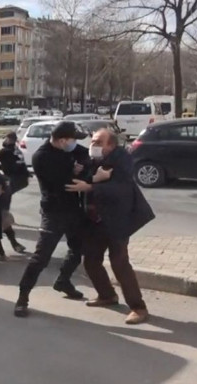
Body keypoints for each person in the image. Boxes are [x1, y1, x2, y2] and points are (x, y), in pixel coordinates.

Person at [65, 128, 155, 324]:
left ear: (111, 145)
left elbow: (120, 189)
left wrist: (91, 185)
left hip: (117, 220)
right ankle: (107, 295)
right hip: (95, 221)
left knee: (119, 263)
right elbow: (86, 178)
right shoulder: (92, 161)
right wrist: (86, 176)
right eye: (93, 141)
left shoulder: (122, 160)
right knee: (90, 261)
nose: (93, 146)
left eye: (98, 142)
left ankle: (138, 307)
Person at [14, 121, 88, 318]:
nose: (74, 144)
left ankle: (63, 280)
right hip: (54, 212)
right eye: (72, 140)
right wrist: (78, 173)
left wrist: (82, 166)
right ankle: (23, 296)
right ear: (62, 140)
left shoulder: (67, 150)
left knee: (78, 248)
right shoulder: (42, 156)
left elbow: (85, 154)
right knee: (41, 257)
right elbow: (65, 183)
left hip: (73, 210)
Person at [0, 131, 30, 253]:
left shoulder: (4, 152)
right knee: (5, 199)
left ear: (9, 139)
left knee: (2, 201)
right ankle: (4, 216)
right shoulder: (17, 149)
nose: (4, 141)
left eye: (6, 139)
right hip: (21, 180)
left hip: (13, 180)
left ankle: (4, 218)